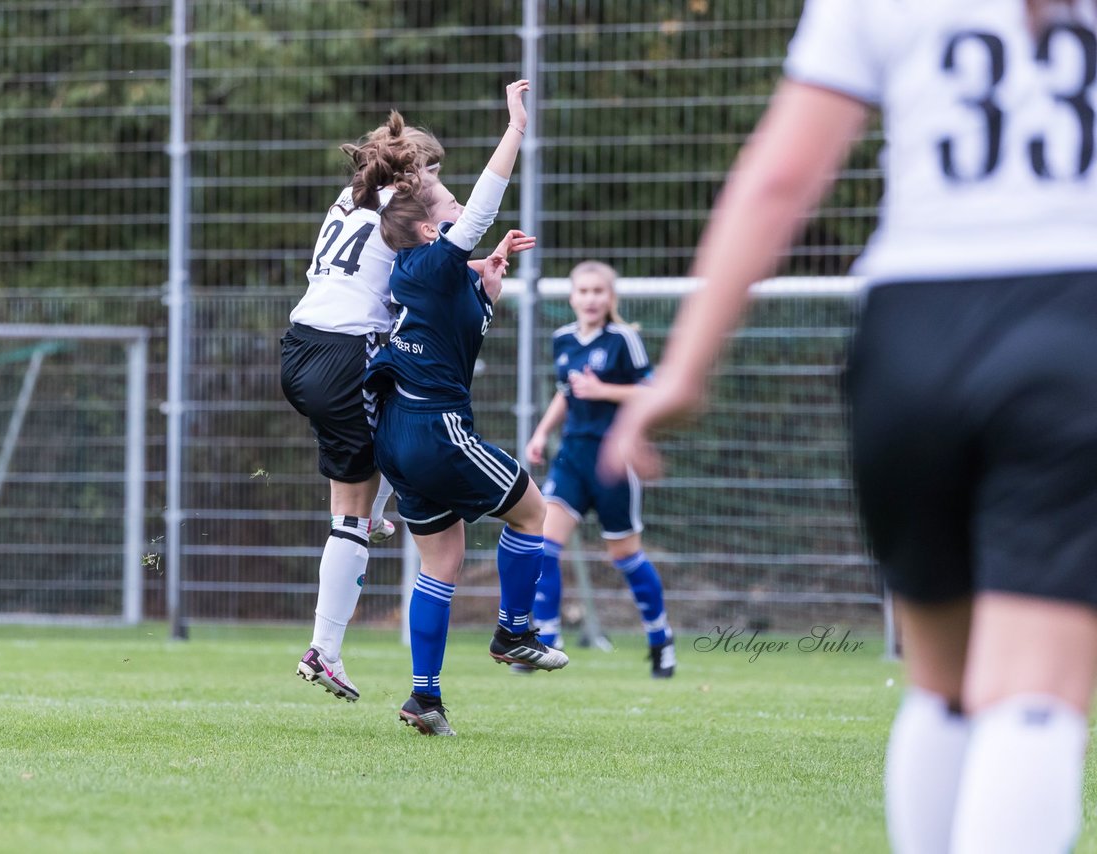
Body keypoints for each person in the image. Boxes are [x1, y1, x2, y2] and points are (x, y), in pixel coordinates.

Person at [601, 0, 1097, 850]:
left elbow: (781, 179)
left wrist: (685, 369)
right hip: (1074, 321)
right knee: (1034, 696)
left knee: (940, 685)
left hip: (912, 337)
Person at [364, 79, 566, 737]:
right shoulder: (425, 260)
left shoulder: (430, 274)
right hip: (434, 428)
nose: (459, 205)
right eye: (447, 201)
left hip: (403, 437)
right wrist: (515, 130)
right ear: (428, 225)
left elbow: (458, 320)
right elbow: (478, 210)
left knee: (443, 562)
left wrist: (490, 280)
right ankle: (513, 632)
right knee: (536, 510)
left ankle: (425, 697)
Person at [282, 112, 445, 704]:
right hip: (347, 353)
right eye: (431, 170)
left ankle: (372, 512)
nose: (436, 181)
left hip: (300, 346)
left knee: (373, 454)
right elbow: (456, 229)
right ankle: (324, 650)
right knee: (351, 516)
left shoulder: (347, 198)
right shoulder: (406, 207)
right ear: (412, 173)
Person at [523, 260, 676, 678]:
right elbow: (565, 394)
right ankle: (548, 640)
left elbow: (652, 391)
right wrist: (540, 433)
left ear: (611, 298)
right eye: (583, 291)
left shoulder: (624, 339)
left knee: (625, 556)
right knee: (544, 547)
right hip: (572, 457)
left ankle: (661, 640)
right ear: (572, 297)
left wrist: (603, 389)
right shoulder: (563, 340)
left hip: (614, 460)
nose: (591, 299)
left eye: (598, 291)